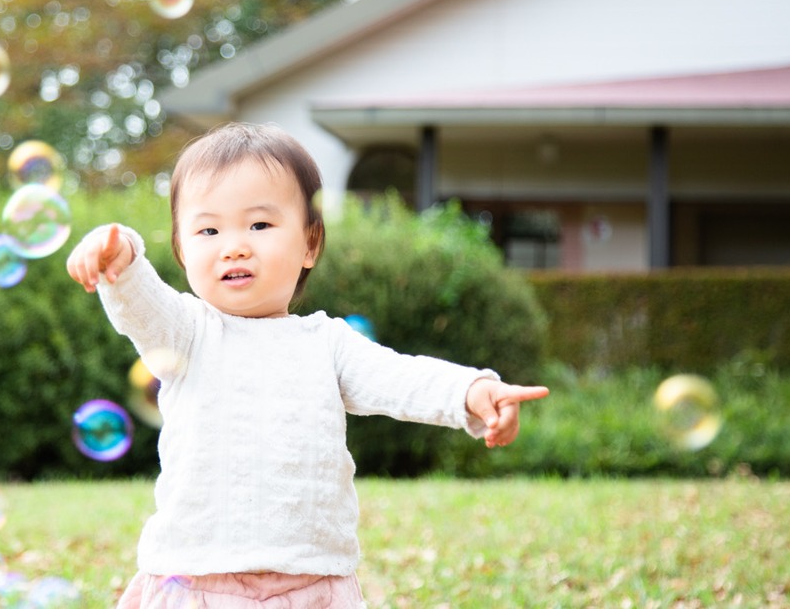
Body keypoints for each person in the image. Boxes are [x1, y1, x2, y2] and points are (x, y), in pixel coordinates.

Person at [66, 122, 549, 608]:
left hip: (311, 584)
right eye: (208, 230)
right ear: (181, 250)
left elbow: (399, 376)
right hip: (196, 580)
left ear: (310, 244)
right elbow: (143, 307)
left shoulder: (328, 344)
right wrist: (121, 259)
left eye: (260, 225)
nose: (234, 246)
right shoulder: (187, 332)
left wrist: (470, 392)